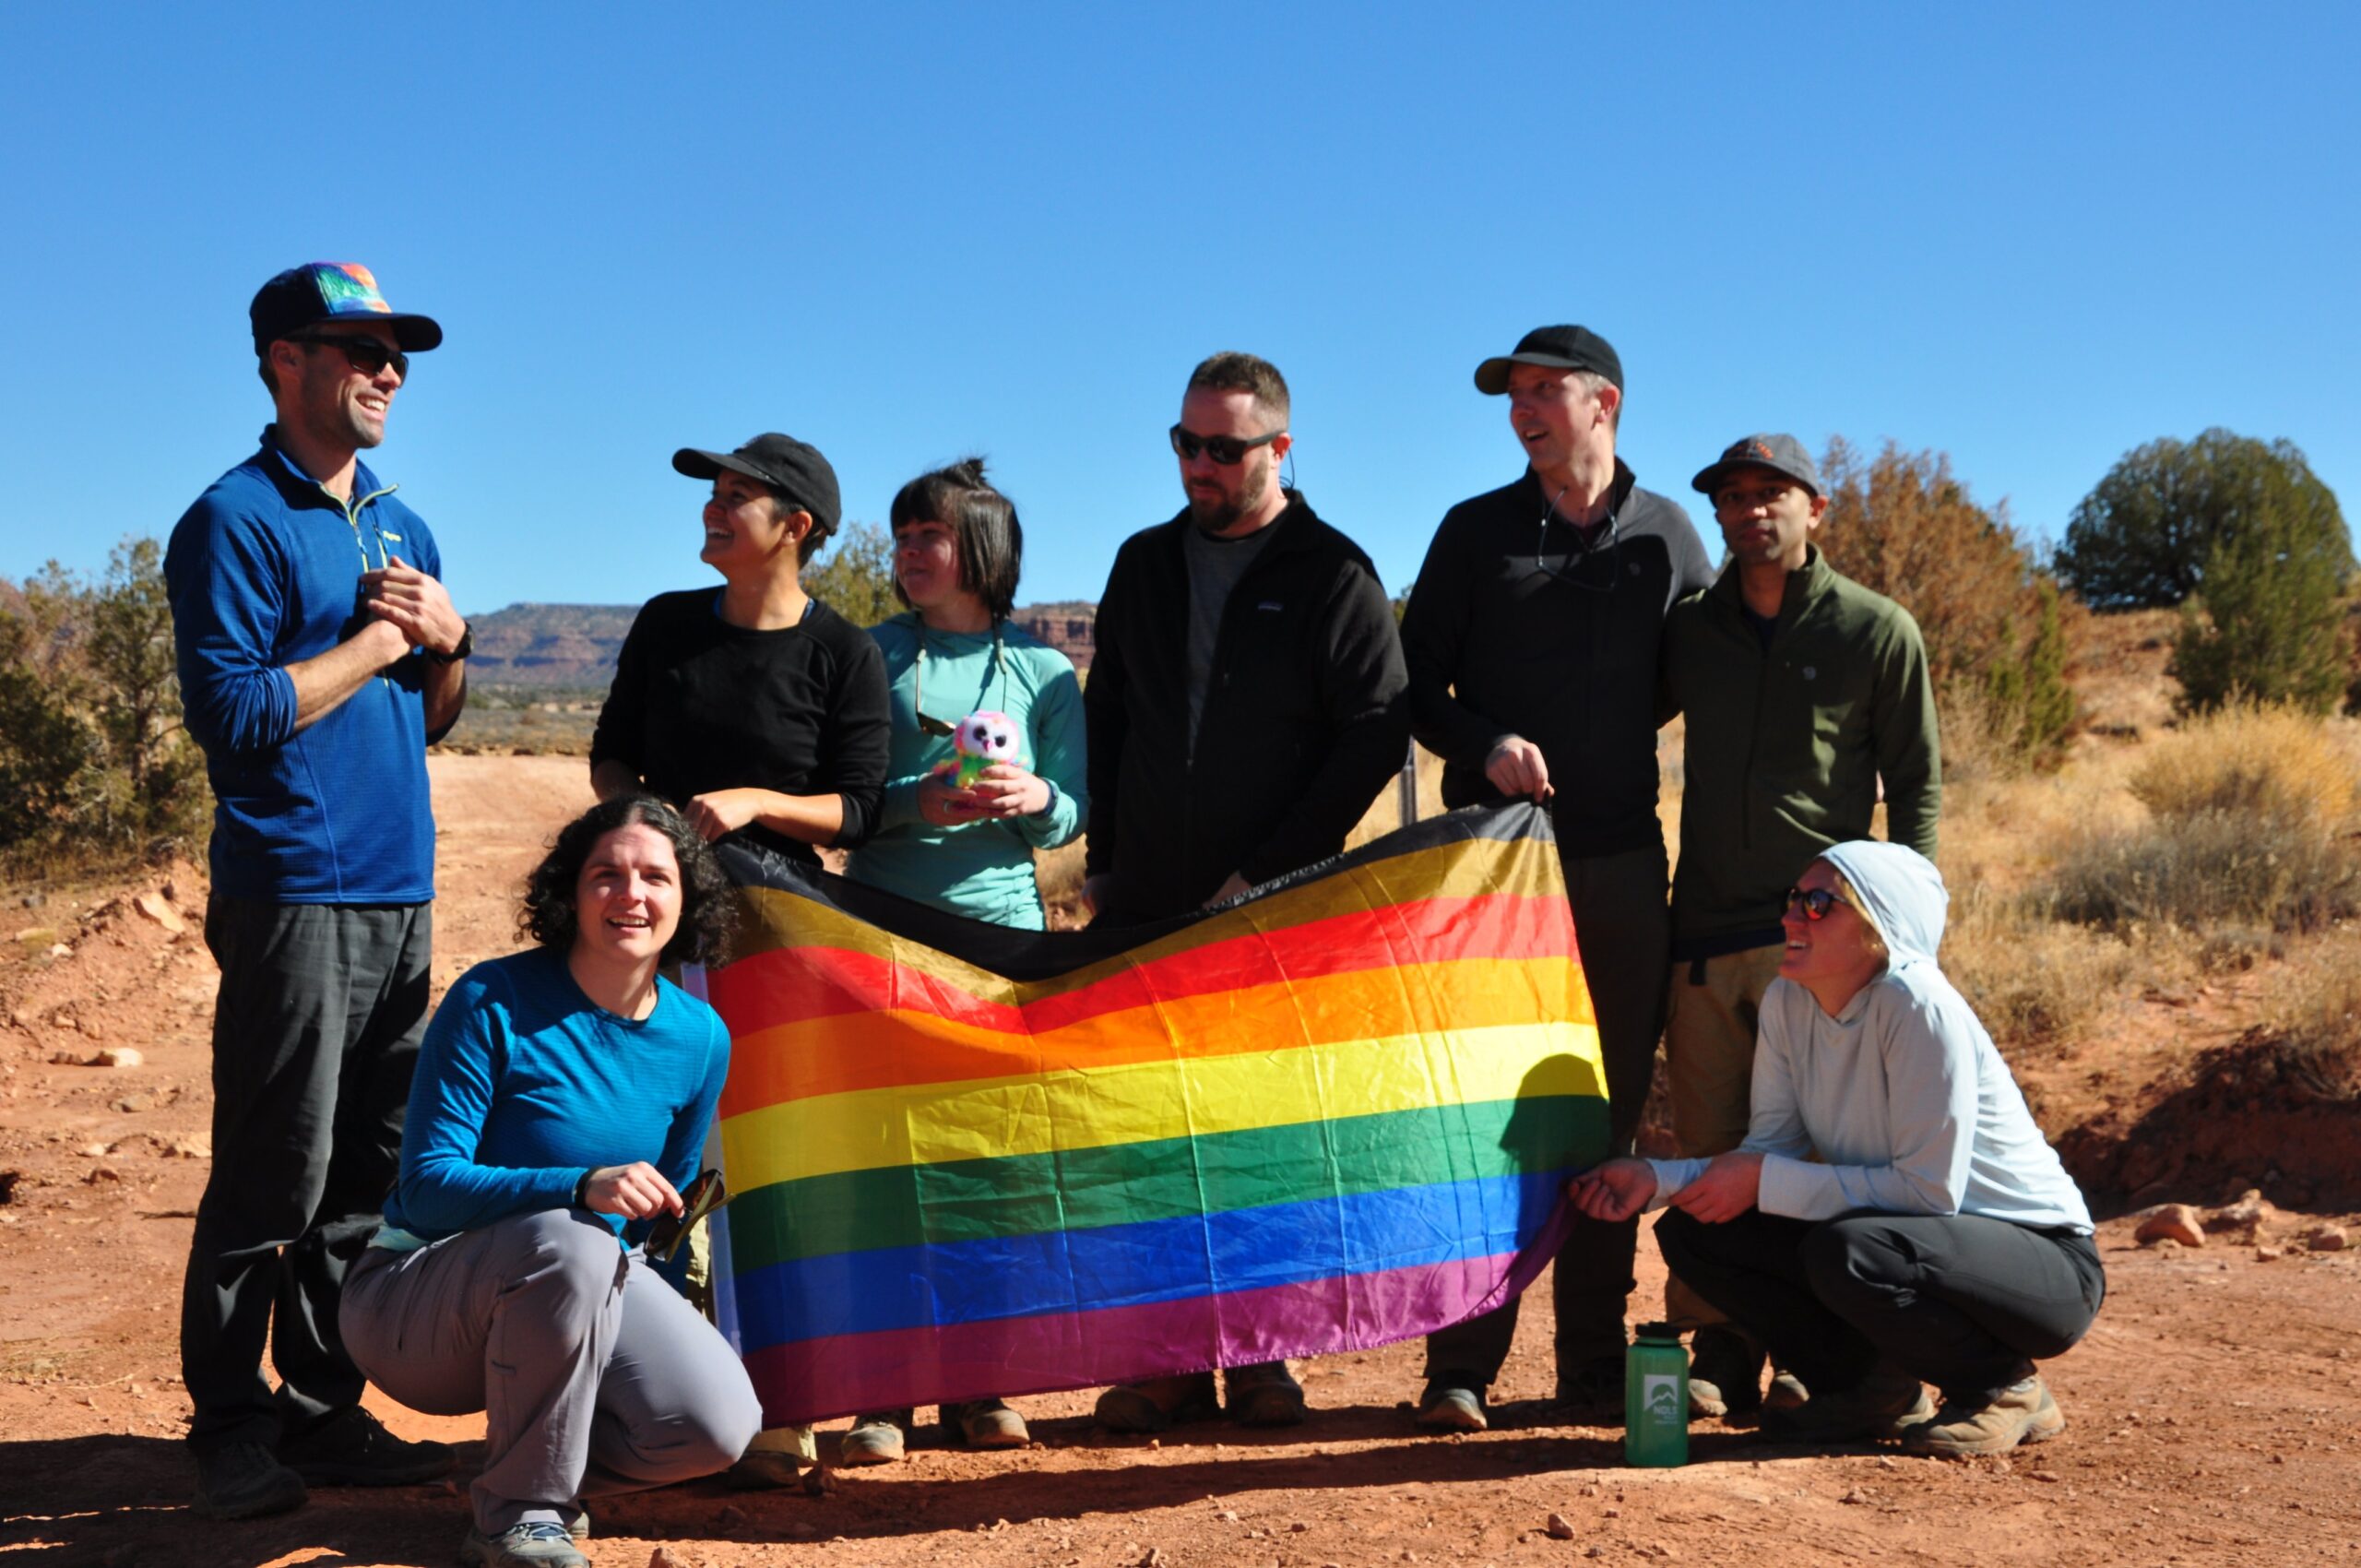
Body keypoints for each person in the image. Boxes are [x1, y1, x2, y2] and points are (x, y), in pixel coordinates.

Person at [165, 262, 467, 1518]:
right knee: (271, 1173)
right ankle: (230, 1423)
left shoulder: (404, 521)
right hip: (294, 888)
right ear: (284, 361)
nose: (388, 370)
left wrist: (446, 642)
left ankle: (322, 1407)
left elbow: (436, 718)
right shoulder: (232, 521)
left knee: (364, 1176)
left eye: (396, 352)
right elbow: (233, 717)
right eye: (358, 348)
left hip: (402, 889)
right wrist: (379, 641)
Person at [1395, 325, 1715, 1431]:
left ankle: (1588, 1367)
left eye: (1544, 391)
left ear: (1604, 403)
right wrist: (1482, 741)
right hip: (1492, 871)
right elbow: (1413, 683)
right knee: (1481, 1112)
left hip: (1622, 860)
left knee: (1606, 1117)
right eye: (1513, 395)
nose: (1524, 410)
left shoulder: (1668, 535)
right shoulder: (1474, 533)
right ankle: (1459, 1366)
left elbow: (1695, 674)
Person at [1082, 350, 1409, 1430]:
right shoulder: (1142, 563)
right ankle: (1163, 1356)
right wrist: (1105, 859)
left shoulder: (1333, 572)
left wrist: (1266, 873)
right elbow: (1111, 714)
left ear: (1279, 447)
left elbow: (1371, 735)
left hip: (1276, 910)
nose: (1199, 466)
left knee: (1263, 1137)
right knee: (1150, 1134)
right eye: (1185, 444)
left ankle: (1264, 1358)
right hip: (1145, 902)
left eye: (1223, 448)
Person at [1570, 842, 2103, 1457]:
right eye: (1793, 900)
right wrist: (1657, 1179)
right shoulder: (1788, 1001)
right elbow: (1770, 1152)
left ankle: (2002, 1388)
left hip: (2046, 1266)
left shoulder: (1919, 1007)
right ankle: (1871, 1390)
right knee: (1700, 1233)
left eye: (1819, 904)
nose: (1792, 917)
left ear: (1878, 926)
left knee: (1852, 1250)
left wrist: (1763, 1179)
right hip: (1912, 1240)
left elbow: (1929, 1190)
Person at [340, 796, 762, 1568]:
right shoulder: (492, 1000)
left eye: (655, 878)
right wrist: (579, 1185)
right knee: (573, 1242)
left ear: (686, 899)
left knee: (715, 1428)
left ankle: (526, 1463)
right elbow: (428, 1187)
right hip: (415, 1303)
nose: (631, 895)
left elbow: (654, 1224)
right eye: (607, 875)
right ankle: (519, 1514)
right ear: (569, 894)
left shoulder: (700, 1037)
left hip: (579, 1288)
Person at [1659, 434, 1940, 1417]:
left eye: (1770, 493)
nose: (1748, 511)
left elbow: (1914, 788)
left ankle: (1816, 1353)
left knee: (1816, 1154)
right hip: (1700, 933)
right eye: (1730, 498)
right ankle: (1719, 1349)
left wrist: (1907, 935)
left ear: (1815, 507)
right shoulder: (1693, 627)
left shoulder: (1875, 628)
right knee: (1708, 1146)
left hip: (1823, 940)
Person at [832, 457, 1087, 1461]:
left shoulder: (1043, 672)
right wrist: (914, 800)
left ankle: (985, 1383)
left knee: (991, 1157)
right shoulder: (869, 655)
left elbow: (1073, 807)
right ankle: (882, 1391)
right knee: (887, 1156)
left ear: (981, 548)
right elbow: (843, 789)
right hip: (878, 922)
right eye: (899, 538)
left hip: (1000, 930)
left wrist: (1038, 804)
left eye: (925, 537)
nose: (905, 556)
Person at [589, 433, 890, 864]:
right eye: (715, 494)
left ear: (795, 527)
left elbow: (859, 811)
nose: (712, 508)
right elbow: (611, 754)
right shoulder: (664, 622)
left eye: (737, 496)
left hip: (775, 902)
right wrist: (651, 820)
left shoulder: (846, 651)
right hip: (659, 887)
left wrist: (756, 802)